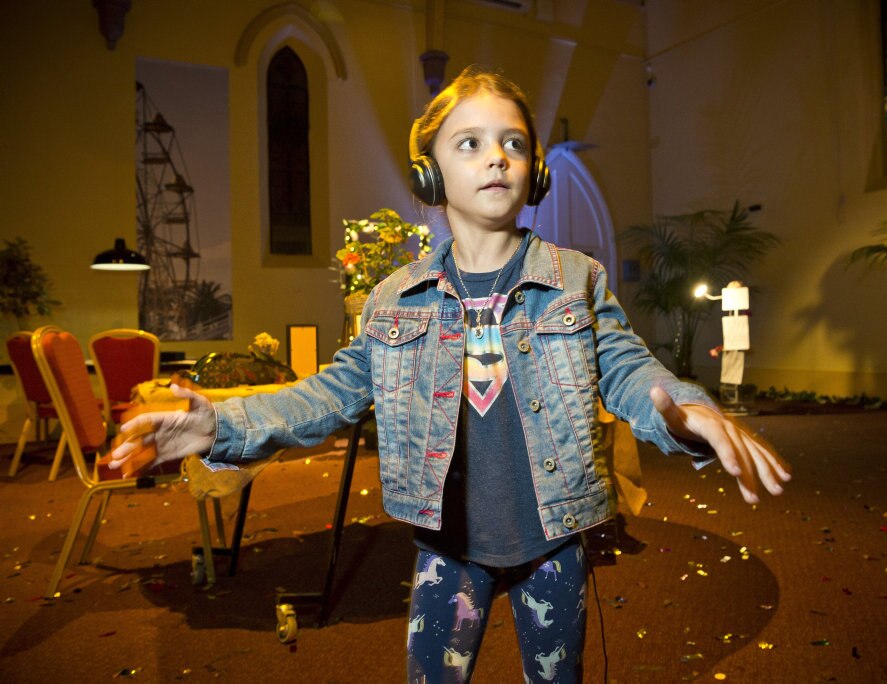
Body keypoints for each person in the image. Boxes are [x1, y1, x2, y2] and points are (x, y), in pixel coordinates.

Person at [110, 65, 791, 682]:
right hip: (449, 550)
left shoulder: (575, 280)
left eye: (514, 143)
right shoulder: (394, 298)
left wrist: (683, 408)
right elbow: (332, 395)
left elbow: (626, 368)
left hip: (554, 544)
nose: (497, 156)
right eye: (469, 143)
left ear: (536, 171)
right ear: (428, 174)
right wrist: (221, 422)